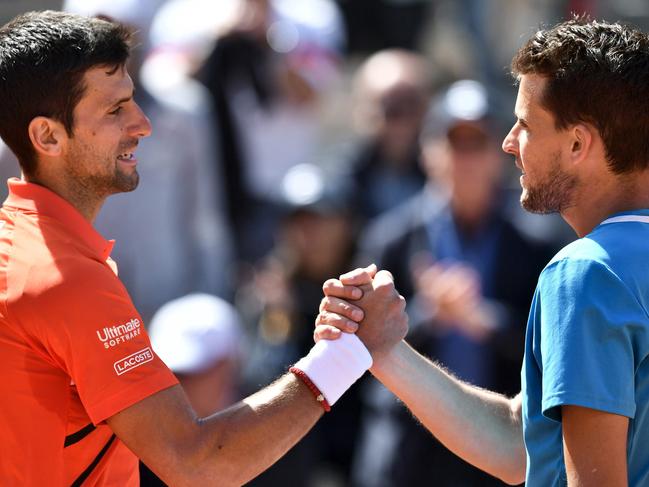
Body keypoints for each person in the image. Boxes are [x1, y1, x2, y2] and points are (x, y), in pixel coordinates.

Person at [0, 11, 404, 486]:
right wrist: (346, 354)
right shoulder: (66, 279)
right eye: (115, 110)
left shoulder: (20, 246)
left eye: (133, 102)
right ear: (47, 136)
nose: (143, 124)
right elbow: (196, 463)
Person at [317, 16, 649, 486]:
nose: (508, 143)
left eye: (525, 124)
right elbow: (523, 443)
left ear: (577, 143)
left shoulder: (587, 271)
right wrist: (387, 349)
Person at [350, 79, 555, 487]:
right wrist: (429, 316)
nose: (465, 158)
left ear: (499, 154)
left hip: (500, 447)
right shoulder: (390, 238)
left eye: (477, 143)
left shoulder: (538, 244)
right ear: (428, 152)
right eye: (453, 142)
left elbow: (553, 348)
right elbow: (358, 347)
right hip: (407, 450)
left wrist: (483, 320)